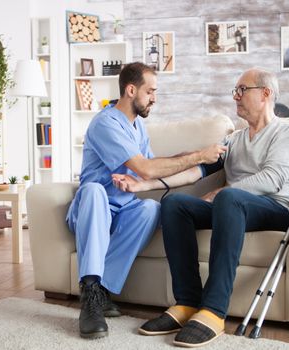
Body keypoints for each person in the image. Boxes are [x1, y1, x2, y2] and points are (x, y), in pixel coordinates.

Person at [112, 68, 289, 347]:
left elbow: (272, 180)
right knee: (175, 204)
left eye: (243, 90)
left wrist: (222, 192)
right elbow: (195, 172)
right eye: (235, 91)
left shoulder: (288, 131)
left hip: (277, 208)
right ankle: (188, 303)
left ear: (266, 94)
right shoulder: (234, 140)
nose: (236, 97)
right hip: (235, 208)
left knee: (228, 198)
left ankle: (215, 311)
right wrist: (141, 185)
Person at [65, 62, 227, 339]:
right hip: (93, 210)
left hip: (124, 208)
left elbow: (153, 163)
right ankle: (90, 294)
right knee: (94, 190)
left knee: (151, 208)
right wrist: (199, 156)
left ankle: (102, 290)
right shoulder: (106, 123)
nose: (155, 97)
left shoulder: (137, 125)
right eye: (150, 91)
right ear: (130, 90)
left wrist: (198, 153)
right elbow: (146, 169)